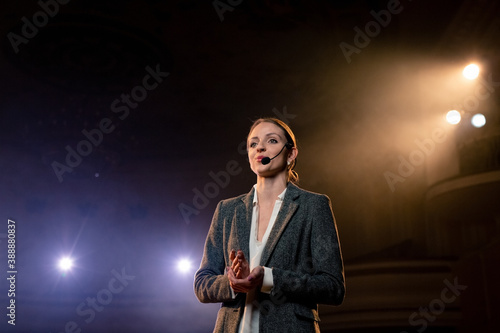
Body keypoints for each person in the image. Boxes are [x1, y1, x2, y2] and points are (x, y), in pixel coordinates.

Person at [194, 117, 345, 332]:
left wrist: (269, 278)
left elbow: (333, 287)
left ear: (291, 154)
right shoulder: (227, 209)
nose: (260, 147)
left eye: (272, 140)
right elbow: (202, 283)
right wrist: (231, 283)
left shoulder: (314, 206)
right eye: (253, 144)